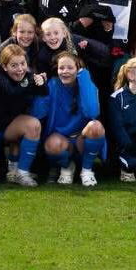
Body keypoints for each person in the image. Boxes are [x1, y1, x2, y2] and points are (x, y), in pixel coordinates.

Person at [0, 44, 48, 186]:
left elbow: (43, 92)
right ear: (4, 67)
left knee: (33, 125)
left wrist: (42, 83)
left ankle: (21, 173)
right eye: (14, 65)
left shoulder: (28, 75)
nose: (20, 69)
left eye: (23, 64)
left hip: (9, 128)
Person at [31, 52, 105, 187]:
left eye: (70, 68)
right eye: (61, 68)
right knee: (52, 144)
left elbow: (92, 112)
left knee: (96, 126)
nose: (65, 71)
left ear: (78, 68)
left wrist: (84, 77)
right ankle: (66, 166)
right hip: (62, 140)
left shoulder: (86, 83)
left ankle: (87, 171)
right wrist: (41, 89)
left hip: (81, 139)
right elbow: (37, 114)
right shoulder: (52, 85)